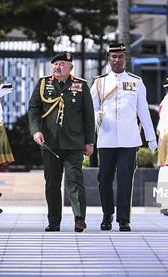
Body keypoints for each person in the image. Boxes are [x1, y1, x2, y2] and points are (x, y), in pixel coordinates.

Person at [90, 43, 157, 232]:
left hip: (129, 139)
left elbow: (144, 112)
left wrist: (151, 139)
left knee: (125, 179)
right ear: (109, 59)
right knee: (104, 179)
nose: (117, 60)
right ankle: (107, 215)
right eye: (113, 57)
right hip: (106, 137)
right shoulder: (99, 82)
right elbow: (90, 109)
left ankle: (123, 219)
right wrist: (97, 118)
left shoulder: (136, 81)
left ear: (125, 58)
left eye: (120, 56)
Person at [28, 52, 95, 232]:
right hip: (50, 142)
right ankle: (54, 221)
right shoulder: (43, 84)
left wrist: (90, 141)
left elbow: (89, 116)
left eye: (62, 64)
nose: (57, 67)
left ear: (70, 67)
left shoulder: (80, 85)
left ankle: (79, 218)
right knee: (52, 183)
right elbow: (33, 109)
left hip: (74, 142)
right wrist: (36, 131)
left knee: (75, 180)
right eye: (55, 64)